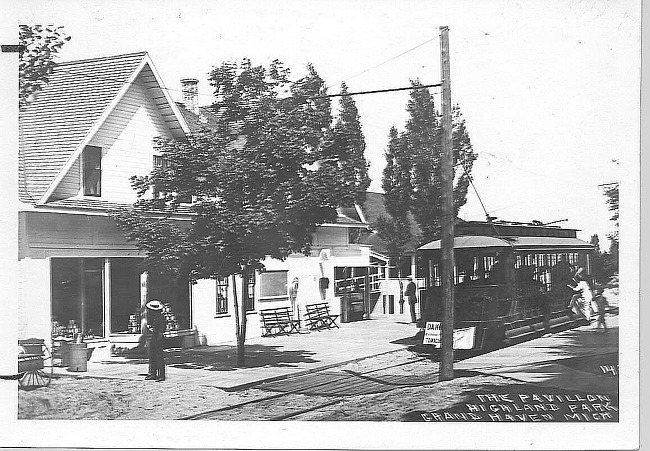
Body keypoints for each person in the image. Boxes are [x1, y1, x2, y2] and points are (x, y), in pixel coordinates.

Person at [145, 299, 166, 381]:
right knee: (152, 356)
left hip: (158, 338)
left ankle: (161, 375)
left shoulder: (160, 317)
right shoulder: (155, 317)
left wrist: (158, 339)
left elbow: (160, 331)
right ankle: (153, 373)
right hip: (155, 337)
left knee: (159, 357)